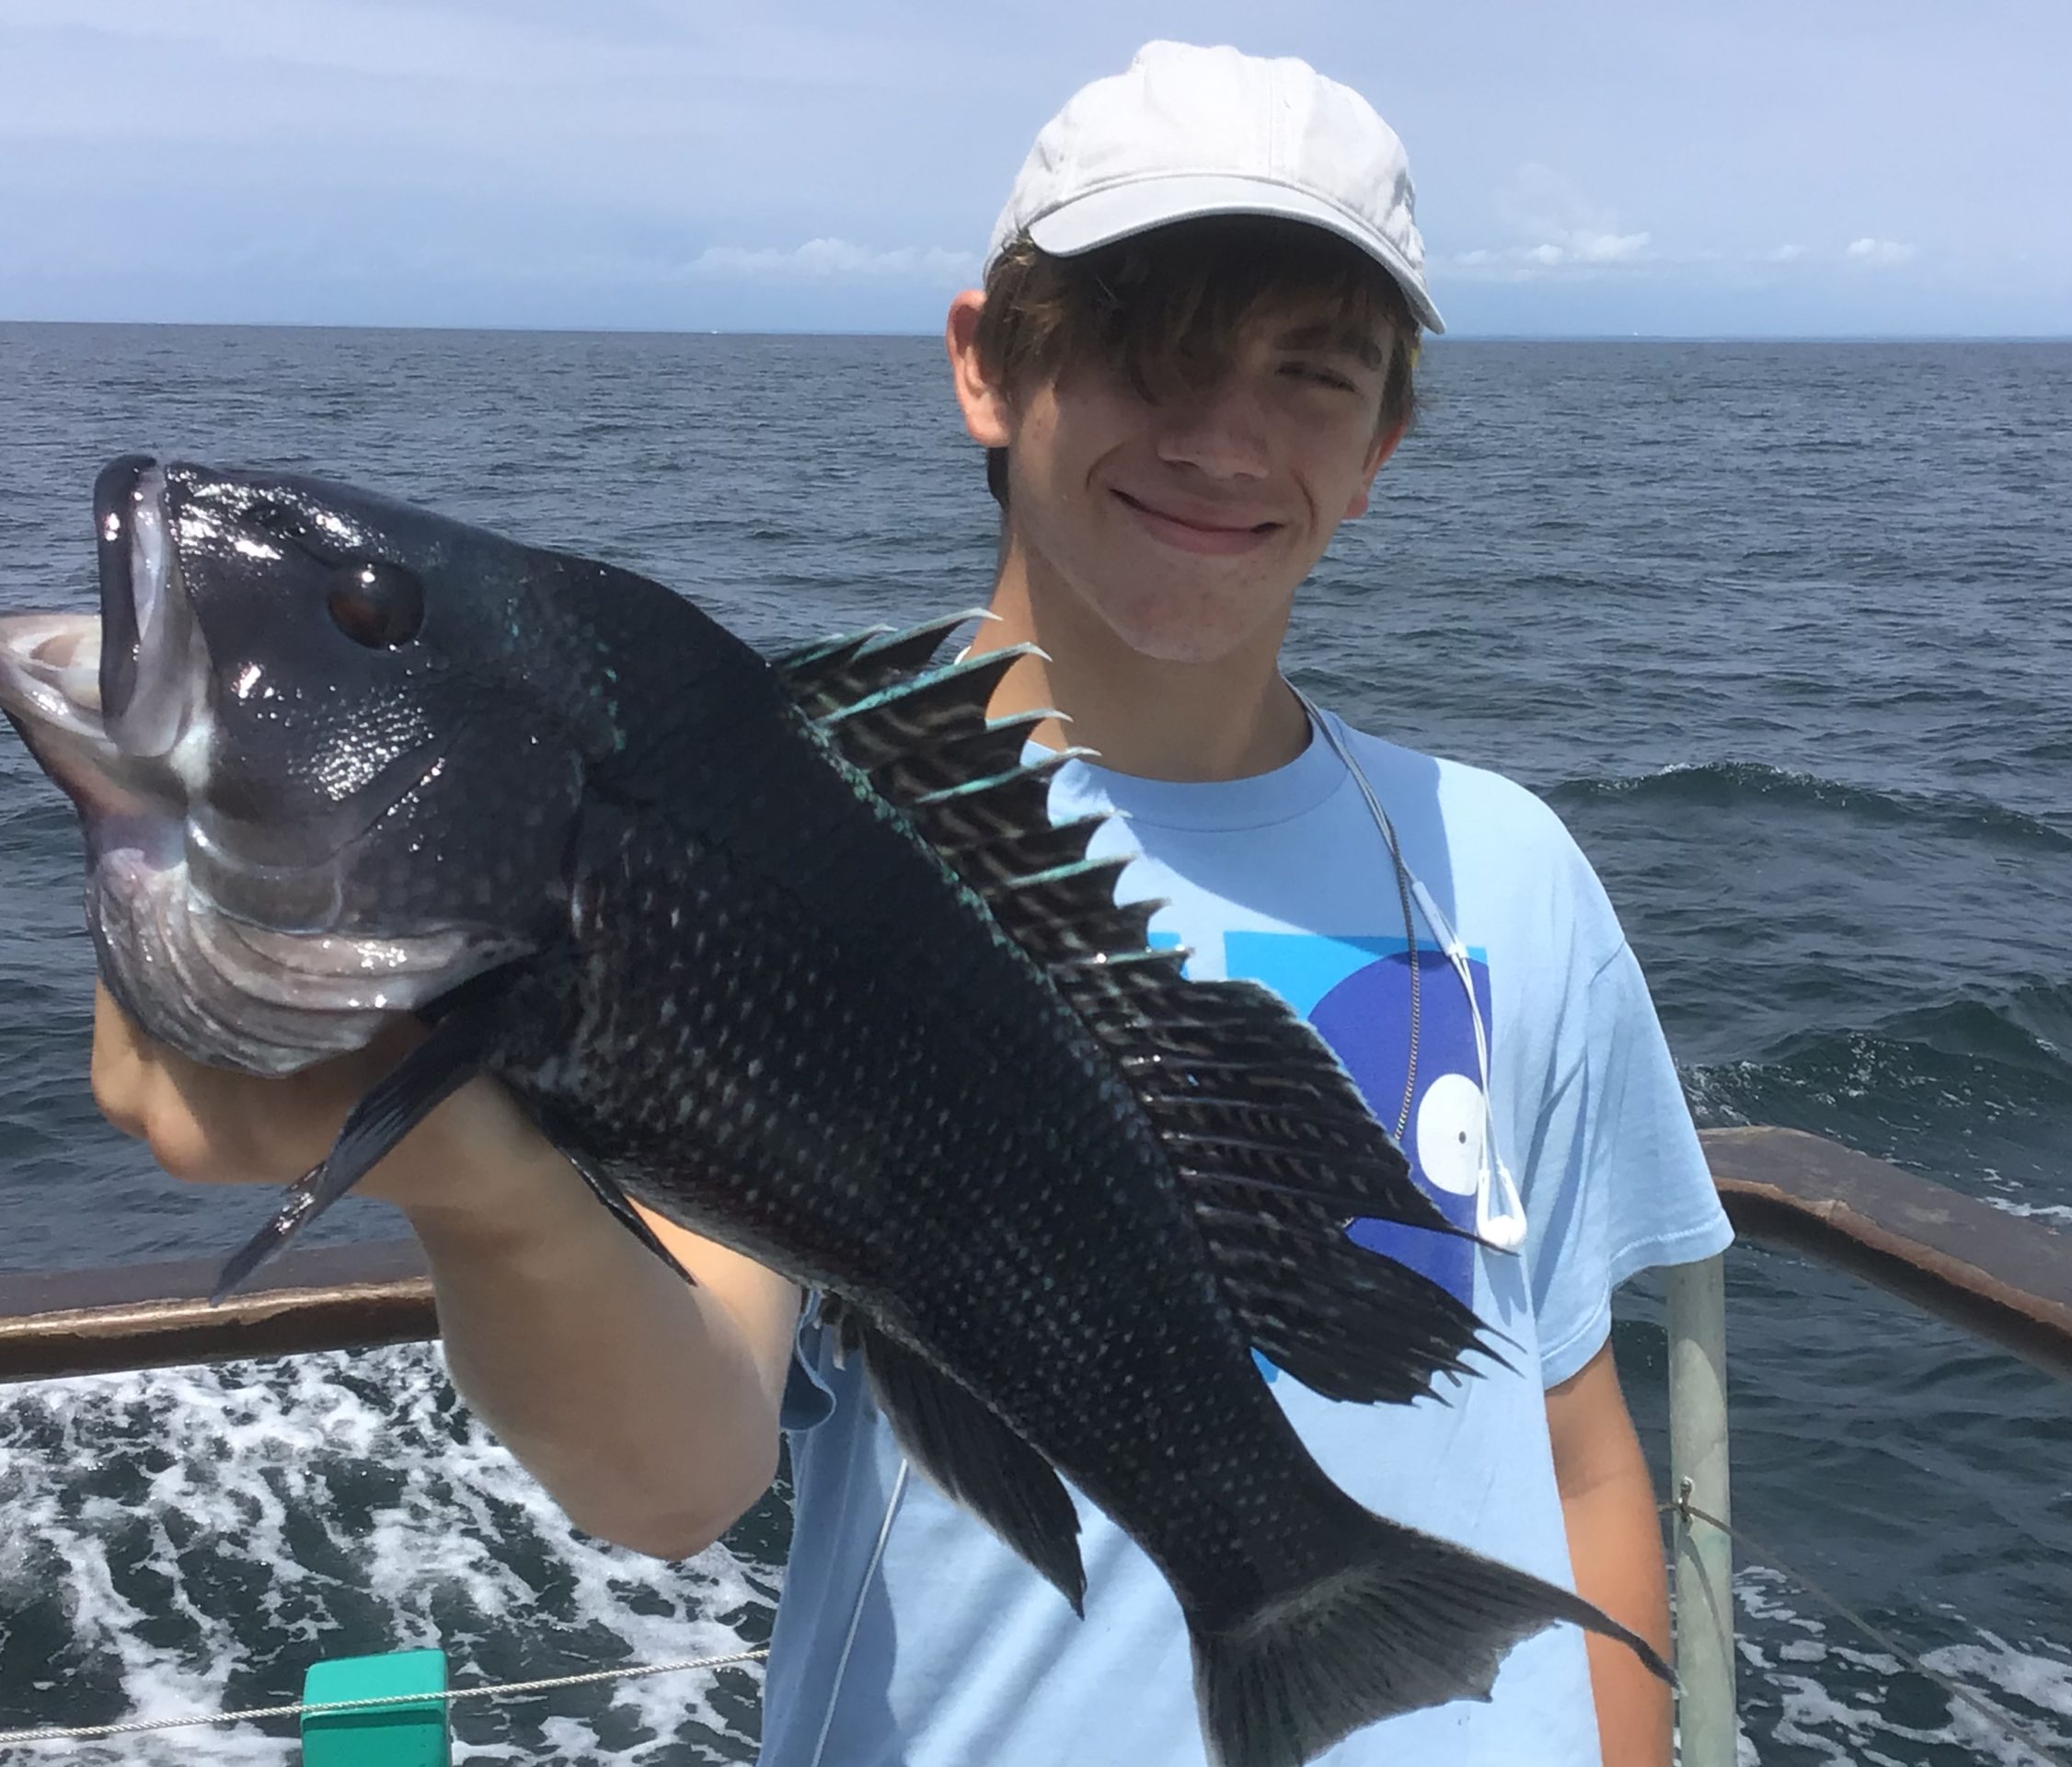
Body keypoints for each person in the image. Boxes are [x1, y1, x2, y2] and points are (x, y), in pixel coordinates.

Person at [88, 40, 1732, 1767]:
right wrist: (474, 1182)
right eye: (1142, 345)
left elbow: (1580, 1456)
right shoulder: (782, 841)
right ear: (987, 368)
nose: (1225, 432)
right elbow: (680, 1470)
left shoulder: (1510, 871)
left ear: (1385, 443)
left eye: (1315, 374)